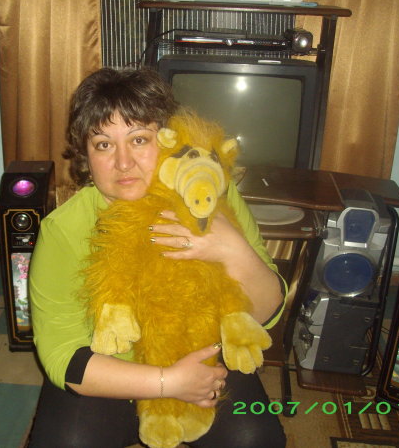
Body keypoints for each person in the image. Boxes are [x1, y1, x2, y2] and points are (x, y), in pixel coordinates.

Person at [27, 67, 287, 447]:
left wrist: (232, 248)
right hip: (111, 374)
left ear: (167, 141)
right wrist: (169, 382)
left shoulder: (208, 196)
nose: (123, 162)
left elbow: (267, 312)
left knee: (255, 440)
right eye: (103, 144)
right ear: (85, 155)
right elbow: (62, 355)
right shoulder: (63, 230)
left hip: (202, 357)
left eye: (139, 139)